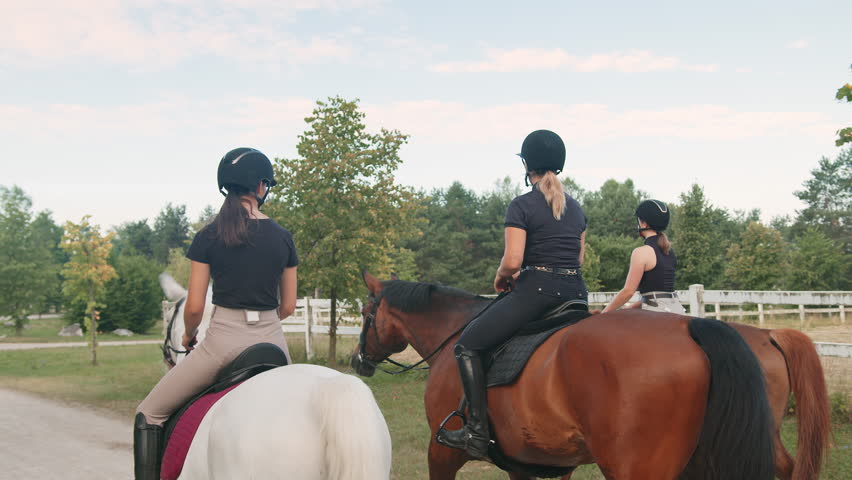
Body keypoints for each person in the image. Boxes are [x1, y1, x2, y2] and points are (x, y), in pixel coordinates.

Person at [133, 147, 299, 480]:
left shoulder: (209, 235)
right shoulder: (283, 238)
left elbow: (194, 308)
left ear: (227, 187)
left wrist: (188, 335)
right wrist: (263, 325)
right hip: (274, 343)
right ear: (261, 187)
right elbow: (289, 306)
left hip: (223, 342)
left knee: (148, 414)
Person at [436, 130, 588, 459]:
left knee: (467, 344)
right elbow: (578, 260)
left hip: (537, 292)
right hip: (576, 293)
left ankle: (476, 433)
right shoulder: (575, 209)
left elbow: (514, 260)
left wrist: (502, 275)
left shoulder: (522, 205)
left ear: (526, 164)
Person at [600, 199, 685, 314]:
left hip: (656, 313)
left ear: (644, 223)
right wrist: (630, 308)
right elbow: (658, 292)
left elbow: (628, 292)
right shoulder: (669, 251)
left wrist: (603, 313)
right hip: (677, 310)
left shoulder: (641, 252)